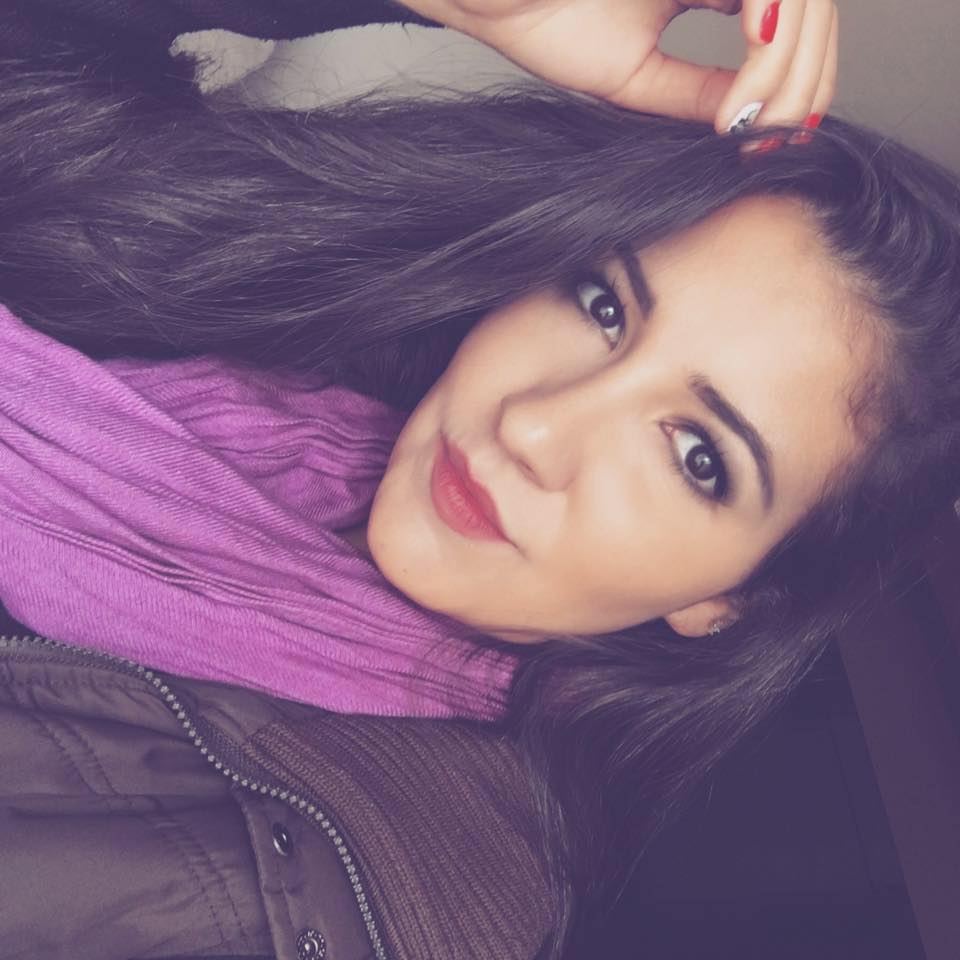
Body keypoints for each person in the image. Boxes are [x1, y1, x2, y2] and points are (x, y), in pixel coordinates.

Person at [1, 1, 959, 958]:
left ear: (736, 599)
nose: (534, 425)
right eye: (604, 305)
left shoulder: (342, 897)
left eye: (698, 457)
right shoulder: (292, 357)